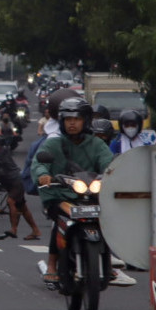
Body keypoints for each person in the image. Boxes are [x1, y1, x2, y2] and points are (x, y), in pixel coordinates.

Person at [30, 97, 114, 283]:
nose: (72, 123)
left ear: (85, 120)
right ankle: (52, 263)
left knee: (106, 219)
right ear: (62, 121)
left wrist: (112, 175)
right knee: (61, 220)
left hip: (90, 194)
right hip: (60, 195)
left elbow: (109, 164)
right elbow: (38, 164)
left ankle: (108, 263)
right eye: (68, 119)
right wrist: (44, 175)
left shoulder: (97, 144)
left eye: (76, 119)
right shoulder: (53, 144)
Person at [0, 134, 42, 239]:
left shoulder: (3, 151)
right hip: (7, 183)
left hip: (16, 181)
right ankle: (35, 230)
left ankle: (13, 229)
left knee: (11, 201)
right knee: (23, 208)